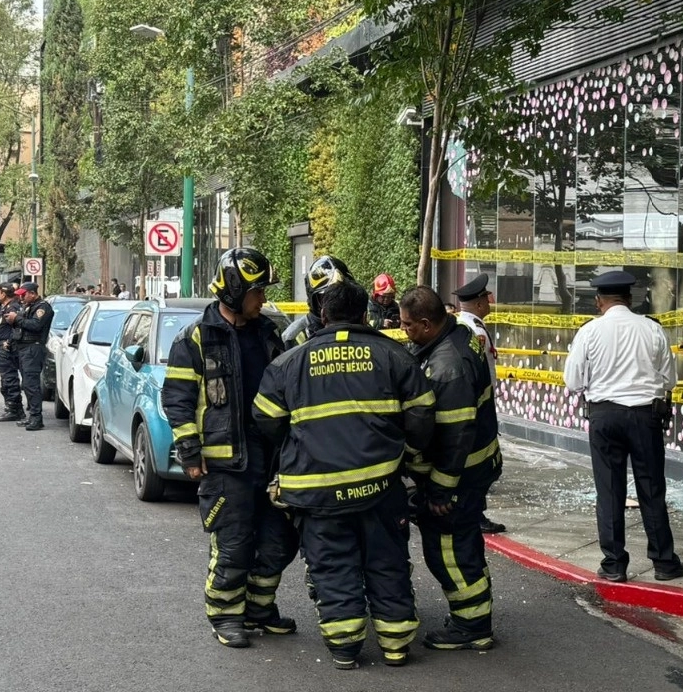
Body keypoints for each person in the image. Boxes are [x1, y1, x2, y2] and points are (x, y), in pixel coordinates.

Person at [254, 280, 436, 669]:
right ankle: (395, 646)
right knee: (386, 561)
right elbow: (422, 414)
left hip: (316, 491)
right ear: (365, 313)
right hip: (380, 486)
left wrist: (302, 440)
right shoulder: (394, 355)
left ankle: (344, 648)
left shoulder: (290, 362)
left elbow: (265, 420)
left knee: (332, 566)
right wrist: (405, 449)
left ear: (322, 314)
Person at [162, 247, 297, 650]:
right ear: (235, 291)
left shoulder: (268, 333)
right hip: (226, 464)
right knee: (234, 543)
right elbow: (177, 399)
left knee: (279, 540)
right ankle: (225, 614)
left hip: (272, 459)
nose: (263, 299)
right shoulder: (196, 339)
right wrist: (190, 452)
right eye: (257, 292)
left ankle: (259, 609)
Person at [563, 271, 683, 583]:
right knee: (651, 487)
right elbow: (669, 379)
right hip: (645, 416)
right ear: (629, 299)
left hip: (604, 416)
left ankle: (614, 564)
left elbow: (573, 381)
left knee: (609, 490)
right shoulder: (651, 329)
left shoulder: (589, 332)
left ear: (598, 302)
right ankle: (663, 561)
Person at [399, 286, 503, 651]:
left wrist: (442, 489)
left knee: (448, 551)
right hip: (476, 468)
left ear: (427, 324)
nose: (404, 331)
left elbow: (456, 434)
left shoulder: (447, 368)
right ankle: (473, 616)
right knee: (465, 545)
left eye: (408, 325)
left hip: (460, 476)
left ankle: (471, 626)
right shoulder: (457, 333)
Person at [452, 274, 507, 534]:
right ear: (478, 302)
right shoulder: (472, 330)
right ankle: (475, 513)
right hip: (478, 405)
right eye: (486, 297)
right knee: (479, 460)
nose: (489, 301)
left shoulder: (471, 325)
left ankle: (475, 510)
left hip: (480, 402)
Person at [4, 282, 54, 431]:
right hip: (24, 348)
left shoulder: (43, 307)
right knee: (26, 384)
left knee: (32, 385)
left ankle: (36, 418)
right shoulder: (28, 307)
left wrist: (17, 319)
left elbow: (35, 325)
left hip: (34, 348)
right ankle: (32, 416)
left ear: (32, 293)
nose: (21, 297)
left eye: (24, 294)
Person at [282, 255, 355, 347]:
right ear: (314, 301)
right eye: (327, 296)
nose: (337, 301)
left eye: (343, 294)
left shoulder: (361, 326)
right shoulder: (292, 337)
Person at [0, 286, 25, 421]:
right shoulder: (5, 307)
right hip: (1, 345)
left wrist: (9, 341)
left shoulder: (12, 308)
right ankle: (14, 408)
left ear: (3, 294)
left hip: (7, 347)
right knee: (5, 379)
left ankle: (14, 408)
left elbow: (16, 328)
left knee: (9, 379)